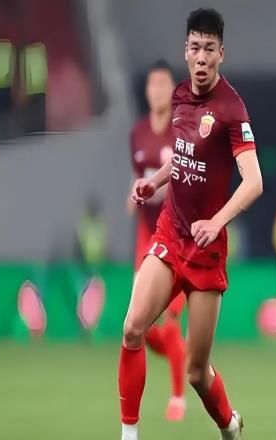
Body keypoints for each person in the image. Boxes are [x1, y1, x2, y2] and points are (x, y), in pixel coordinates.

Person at [118, 8, 263, 439]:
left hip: (206, 251)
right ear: (186, 51)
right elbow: (182, 159)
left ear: (221, 54)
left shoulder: (232, 109)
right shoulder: (181, 95)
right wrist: (153, 182)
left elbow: (254, 182)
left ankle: (229, 425)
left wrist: (216, 222)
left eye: (209, 49)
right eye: (195, 48)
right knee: (132, 328)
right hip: (170, 233)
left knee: (197, 371)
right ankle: (128, 435)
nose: (201, 57)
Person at [127, 59, 187, 422]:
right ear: (147, 90)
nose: (158, 91)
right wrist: (133, 194)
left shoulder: (182, 133)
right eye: (153, 84)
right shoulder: (137, 134)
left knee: (171, 320)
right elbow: (139, 176)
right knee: (140, 326)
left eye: (164, 84)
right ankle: (183, 354)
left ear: (172, 90)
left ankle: (178, 396)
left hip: (176, 235)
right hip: (146, 234)